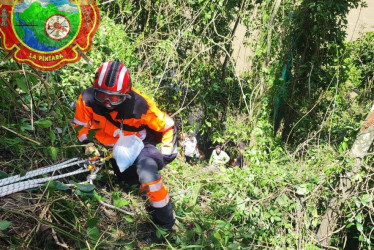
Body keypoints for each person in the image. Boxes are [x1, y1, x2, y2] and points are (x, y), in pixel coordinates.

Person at [73, 59, 177, 243]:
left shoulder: (141, 105)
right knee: (127, 180)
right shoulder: (87, 99)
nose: (107, 103)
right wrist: (87, 145)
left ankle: (166, 224)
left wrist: (167, 154)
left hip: (140, 145)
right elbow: (80, 125)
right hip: (114, 150)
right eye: (102, 95)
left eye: (114, 98)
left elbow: (168, 126)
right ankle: (140, 187)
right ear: (95, 90)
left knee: (147, 175)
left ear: (125, 94)